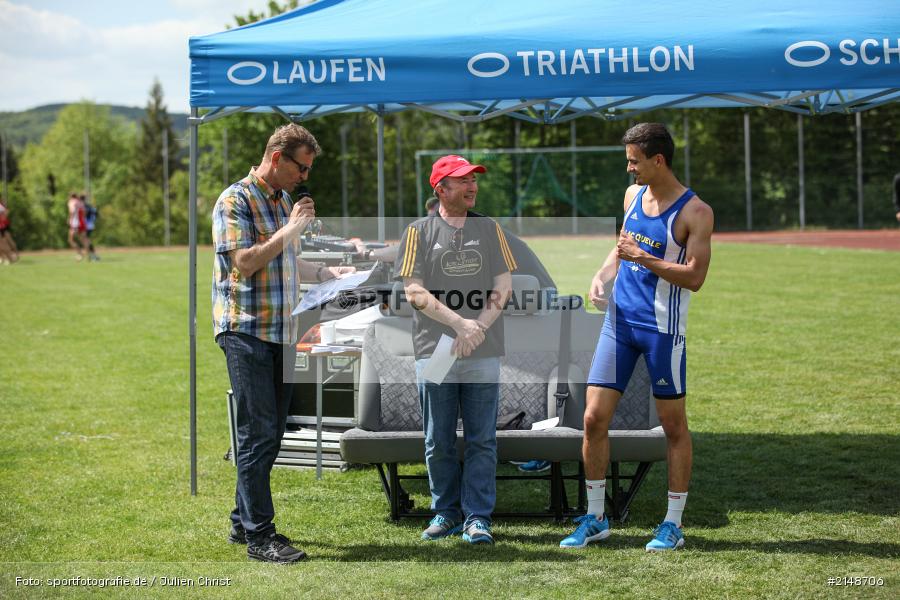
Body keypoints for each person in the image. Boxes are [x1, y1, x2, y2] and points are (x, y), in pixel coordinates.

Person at [560, 123, 713, 552]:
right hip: (619, 325)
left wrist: (643, 257)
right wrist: (603, 272)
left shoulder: (695, 212)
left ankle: (673, 524)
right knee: (592, 419)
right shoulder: (632, 197)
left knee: (673, 425)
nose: (629, 170)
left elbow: (696, 278)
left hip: (662, 331)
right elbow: (622, 244)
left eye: (634, 161)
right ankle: (595, 517)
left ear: (657, 160)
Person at [212, 123, 355, 564]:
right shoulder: (234, 200)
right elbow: (247, 263)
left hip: (282, 331)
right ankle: (261, 537)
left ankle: (242, 520)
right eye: (301, 167)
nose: (305, 177)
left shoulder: (283, 201)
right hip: (246, 331)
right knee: (258, 434)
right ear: (277, 158)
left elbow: (286, 262)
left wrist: (329, 274)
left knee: (271, 432)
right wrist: (292, 229)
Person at [395, 155, 516, 545]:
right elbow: (414, 292)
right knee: (438, 438)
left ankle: (478, 517)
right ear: (440, 189)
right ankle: (446, 512)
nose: (471, 186)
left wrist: (477, 326)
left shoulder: (489, 228)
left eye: (473, 179)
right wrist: (459, 324)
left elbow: (504, 284)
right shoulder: (418, 231)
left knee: (482, 438)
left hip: (483, 345)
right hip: (436, 350)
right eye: (461, 180)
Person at [67, 192, 87, 261]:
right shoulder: (80, 202)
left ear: (70, 197)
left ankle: (80, 253)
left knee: (71, 240)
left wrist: (70, 219)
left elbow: (72, 211)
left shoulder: (71, 202)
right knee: (83, 239)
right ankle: (88, 253)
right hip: (81, 222)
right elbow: (84, 212)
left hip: (75, 222)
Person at [81, 194, 100, 261]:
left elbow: (85, 214)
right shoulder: (89, 206)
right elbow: (96, 213)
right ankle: (90, 255)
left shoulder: (83, 206)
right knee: (86, 239)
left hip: (87, 225)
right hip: (90, 224)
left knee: (86, 240)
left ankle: (93, 255)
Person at [0, 197, 18, 264]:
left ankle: (11, 258)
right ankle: (7, 258)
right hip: (3, 226)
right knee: (2, 244)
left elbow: (5, 213)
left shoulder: (1, 206)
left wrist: (2, 219)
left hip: (2, 227)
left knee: (3, 244)